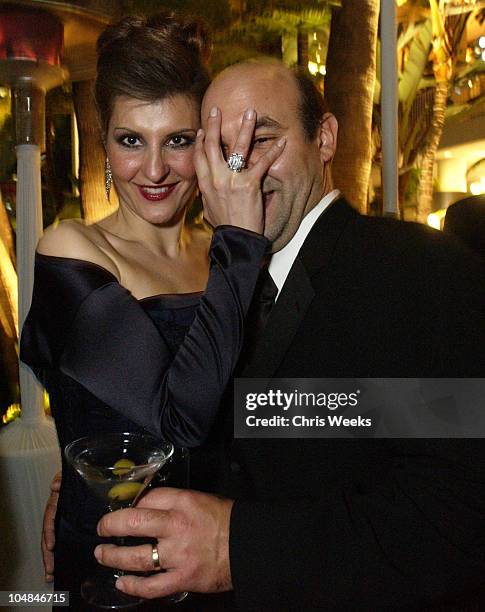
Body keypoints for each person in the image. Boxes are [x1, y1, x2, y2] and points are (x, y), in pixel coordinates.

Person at [93, 60, 485, 611]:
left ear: (323, 139)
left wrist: (238, 548)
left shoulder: (415, 271)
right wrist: (109, 490)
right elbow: (258, 430)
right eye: (219, 150)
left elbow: (461, 507)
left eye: (262, 139)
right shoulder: (222, 292)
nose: (239, 171)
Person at [20, 15, 285, 607]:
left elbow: (263, 411)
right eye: (131, 139)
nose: (156, 170)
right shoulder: (74, 249)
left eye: (179, 140)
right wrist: (240, 243)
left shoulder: (232, 258)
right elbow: (177, 424)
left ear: (208, 143)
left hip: (227, 561)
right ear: (103, 140)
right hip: (121, 574)